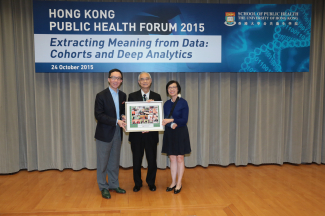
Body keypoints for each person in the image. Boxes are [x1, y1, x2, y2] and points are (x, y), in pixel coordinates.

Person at [94, 68, 127, 199]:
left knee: (114, 161)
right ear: (108, 79)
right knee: (102, 162)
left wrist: (124, 117)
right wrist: (116, 121)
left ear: (121, 81)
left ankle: (114, 184)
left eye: (118, 78)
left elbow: (123, 111)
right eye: (113, 77)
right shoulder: (101, 95)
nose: (116, 80)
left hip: (118, 133)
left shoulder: (123, 95)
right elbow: (99, 115)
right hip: (104, 134)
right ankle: (103, 187)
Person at [128, 72, 162, 192]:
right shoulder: (132, 96)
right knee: (136, 161)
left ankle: (151, 182)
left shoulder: (157, 97)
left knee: (152, 161)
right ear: (139, 82)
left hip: (151, 135)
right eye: (142, 79)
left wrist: (152, 107)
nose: (144, 81)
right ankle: (137, 183)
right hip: (136, 136)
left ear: (151, 80)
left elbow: (158, 116)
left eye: (147, 79)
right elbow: (131, 116)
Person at [162, 80, 191, 194]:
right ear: (167, 90)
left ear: (178, 89)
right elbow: (164, 118)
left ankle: (179, 183)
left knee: (180, 158)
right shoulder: (166, 104)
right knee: (172, 158)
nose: (172, 89)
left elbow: (184, 120)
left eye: (174, 87)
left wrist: (173, 120)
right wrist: (170, 123)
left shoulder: (183, 102)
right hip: (170, 132)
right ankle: (173, 182)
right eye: (169, 87)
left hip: (181, 132)